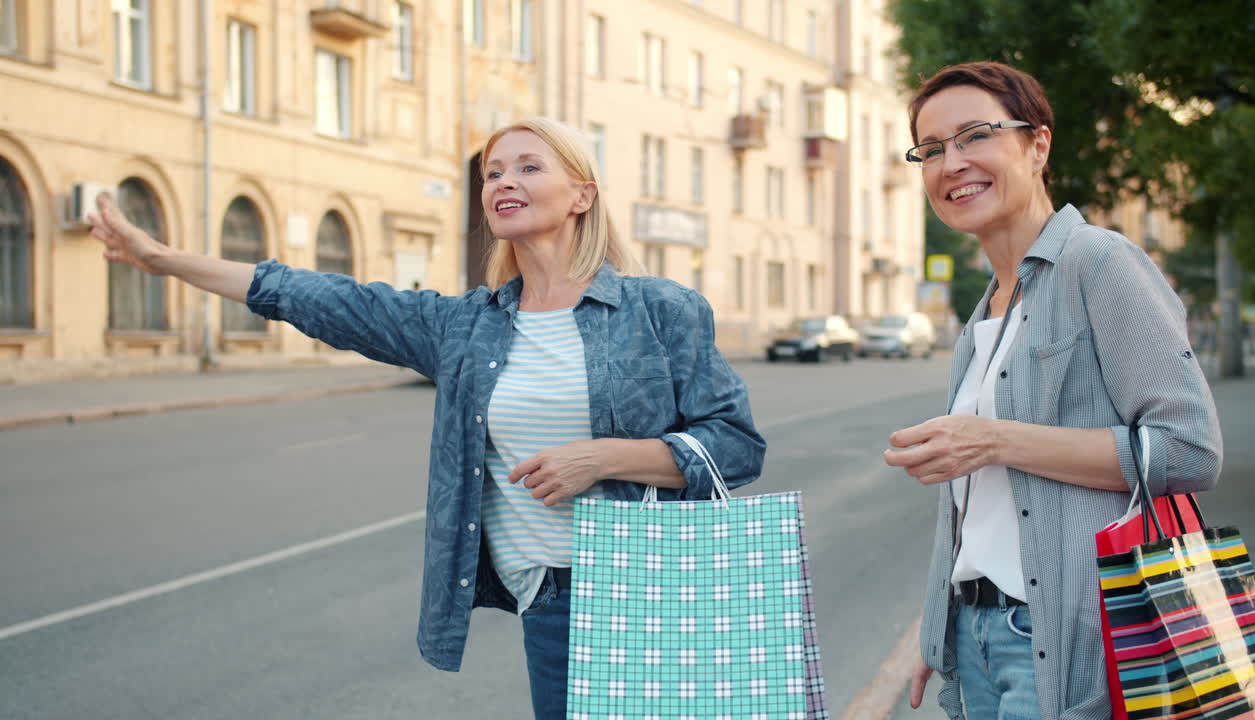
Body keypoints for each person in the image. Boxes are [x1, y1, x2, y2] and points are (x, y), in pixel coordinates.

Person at [88, 116, 765, 719]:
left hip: (660, 588)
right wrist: (159, 259)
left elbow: (735, 445)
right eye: (493, 171)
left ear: (582, 195)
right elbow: (315, 295)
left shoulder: (661, 309)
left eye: (530, 166)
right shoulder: (464, 326)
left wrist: (604, 456)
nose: (505, 180)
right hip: (554, 603)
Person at [882, 62, 1222, 719]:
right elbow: (974, 506)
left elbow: (1188, 451)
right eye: (931, 149)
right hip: (976, 637)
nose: (951, 163)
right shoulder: (987, 309)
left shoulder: (1100, 262)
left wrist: (995, 440)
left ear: (1038, 145)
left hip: (1063, 638)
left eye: (975, 136)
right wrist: (940, 625)